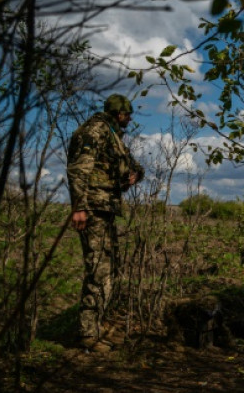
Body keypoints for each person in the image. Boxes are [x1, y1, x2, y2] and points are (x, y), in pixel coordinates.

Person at [67, 94, 144, 352]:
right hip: (93, 210)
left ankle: (97, 327)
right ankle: (88, 335)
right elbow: (79, 170)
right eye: (128, 114)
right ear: (119, 114)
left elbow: (133, 167)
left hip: (107, 209)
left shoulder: (113, 136)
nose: (130, 119)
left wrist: (133, 176)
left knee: (109, 269)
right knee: (99, 270)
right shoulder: (94, 131)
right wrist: (79, 208)